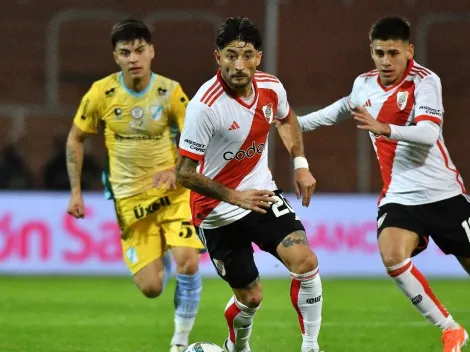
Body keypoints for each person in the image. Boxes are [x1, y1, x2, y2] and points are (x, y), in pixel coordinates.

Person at [296, 16, 469, 351]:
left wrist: (386, 128)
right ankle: (450, 329)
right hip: (400, 196)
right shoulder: (364, 84)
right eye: (379, 53)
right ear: (371, 52)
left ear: (409, 50)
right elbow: (339, 110)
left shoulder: (424, 81)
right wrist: (293, 123)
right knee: (392, 255)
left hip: (443, 194)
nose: (386, 61)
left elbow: (429, 133)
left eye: (393, 52)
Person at [176, 17, 323, 352]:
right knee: (251, 298)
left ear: (258, 57)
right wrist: (233, 196)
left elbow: (286, 118)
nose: (238, 65)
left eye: (246, 55)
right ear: (218, 58)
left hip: (260, 194)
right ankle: (237, 347)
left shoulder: (271, 87)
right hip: (215, 212)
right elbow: (183, 173)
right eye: (230, 55)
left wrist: (300, 164)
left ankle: (311, 346)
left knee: (306, 262)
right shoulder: (205, 106)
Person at [65, 18, 204, 352]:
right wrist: (75, 191)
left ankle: (180, 342)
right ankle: (162, 260)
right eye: (125, 52)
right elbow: (75, 139)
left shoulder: (170, 91)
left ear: (152, 51)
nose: (133, 58)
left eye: (140, 50)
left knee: (189, 260)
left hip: (173, 194)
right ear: (116, 57)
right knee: (152, 287)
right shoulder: (101, 93)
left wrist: (175, 170)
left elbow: (195, 139)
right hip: (130, 200)